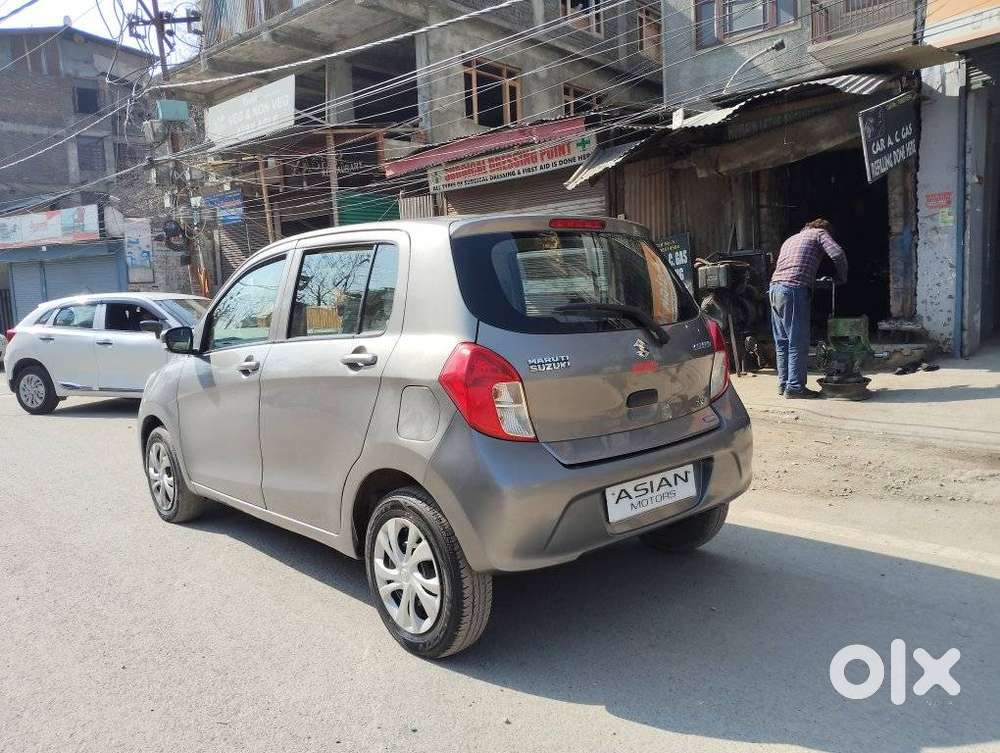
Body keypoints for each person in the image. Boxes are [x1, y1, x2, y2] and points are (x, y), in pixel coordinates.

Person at [769, 218, 848, 399]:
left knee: (782, 342)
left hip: (775, 289)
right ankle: (795, 388)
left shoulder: (792, 239)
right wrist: (841, 277)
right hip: (793, 289)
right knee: (798, 341)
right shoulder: (819, 233)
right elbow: (837, 254)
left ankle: (784, 385)